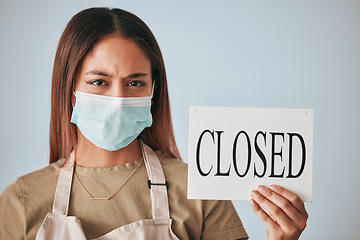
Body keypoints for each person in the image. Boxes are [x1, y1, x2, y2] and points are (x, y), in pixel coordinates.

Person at [0, 7, 308, 240]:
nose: (118, 98)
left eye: (135, 83)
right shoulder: (22, 200)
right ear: (69, 89)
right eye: (99, 82)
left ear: (153, 90)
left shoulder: (200, 190)